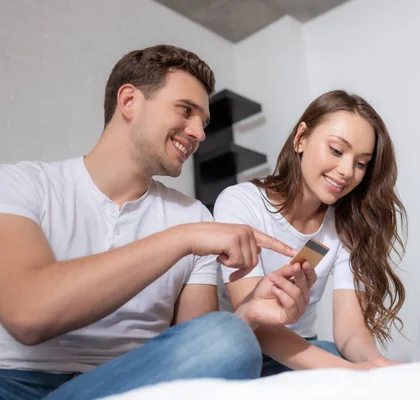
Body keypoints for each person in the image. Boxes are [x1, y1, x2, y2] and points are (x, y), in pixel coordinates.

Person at [0, 44, 316, 400]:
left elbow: (204, 348)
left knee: (228, 337)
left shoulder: (193, 215)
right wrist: (182, 239)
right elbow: (28, 315)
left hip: (134, 384)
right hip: (18, 384)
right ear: (129, 101)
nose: (198, 133)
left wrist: (248, 315)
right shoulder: (20, 185)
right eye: (186, 110)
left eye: (204, 122)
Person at [214, 90, 408, 376]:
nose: (346, 171)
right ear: (301, 138)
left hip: (302, 350)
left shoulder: (345, 225)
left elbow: (351, 330)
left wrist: (375, 365)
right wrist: (349, 372)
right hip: (243, 348)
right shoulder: (240, 202)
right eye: (337, 150)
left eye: (361, 163)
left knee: (349, 361)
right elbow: (258, 324)